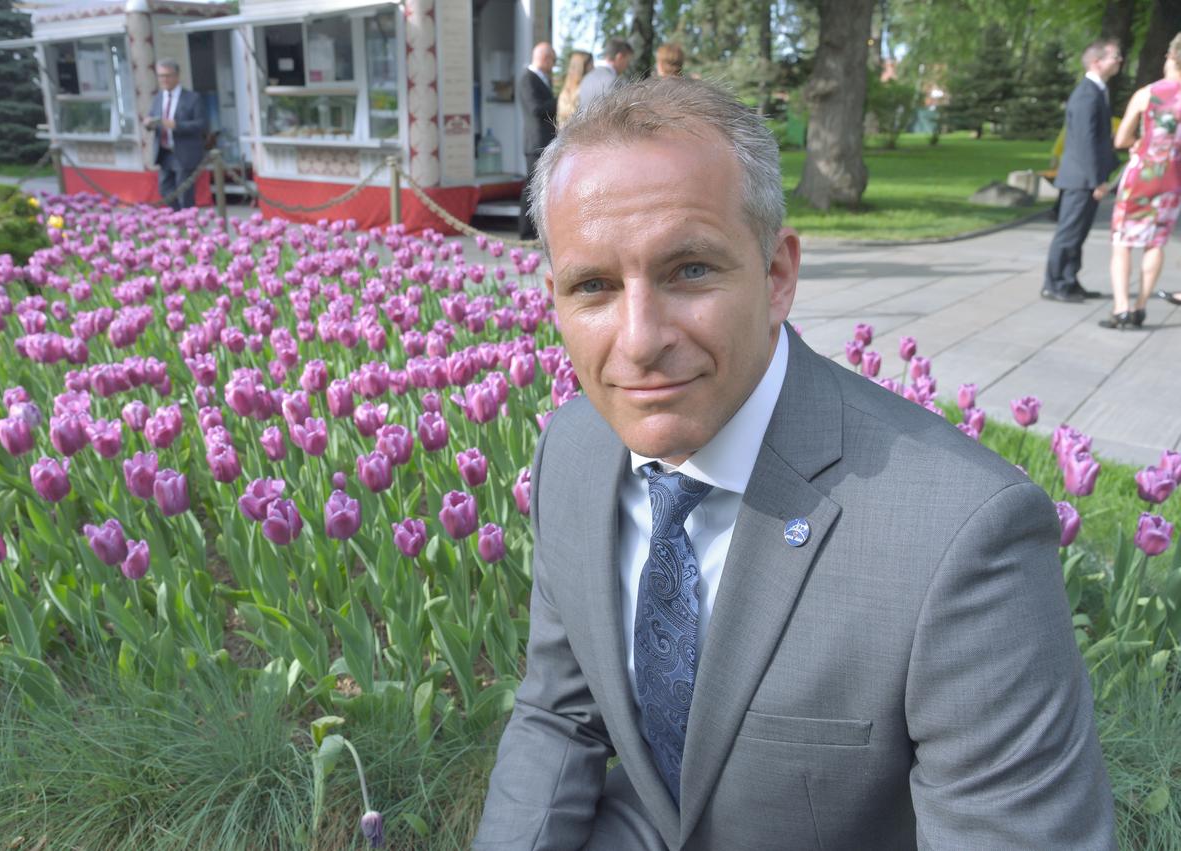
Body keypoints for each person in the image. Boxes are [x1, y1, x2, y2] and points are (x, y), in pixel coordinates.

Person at [475, 77, 1114, 850]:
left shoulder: (962, 539)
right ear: (553, 299)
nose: (638, 340)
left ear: (777, 275)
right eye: (594, 287)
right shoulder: (572, 450)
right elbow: (559, 715)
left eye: (689, 271)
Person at [1100, 32, 1181, 328]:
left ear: (1170, 57)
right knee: (1156, 243)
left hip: (1143, 176)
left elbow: (1121, 139)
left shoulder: (1147, 94)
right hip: (1173, 178)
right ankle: (1141, 306)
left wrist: (1137, 141)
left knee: (1123, 242)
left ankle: (1121, 308)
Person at [1042, 39, 1123, 303]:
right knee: (1069, 233)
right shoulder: (1087, 94)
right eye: (1115, 57)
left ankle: (1068, 281)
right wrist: (1096, 180)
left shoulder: (1096, 91)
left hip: (1083, 178)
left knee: (1078, 233)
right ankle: (1054, 285)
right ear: (1096, 62)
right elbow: (1085, 141)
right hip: (1081, 179)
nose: (1119, 61)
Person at [143, 59, 207, 211]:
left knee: (185, 193)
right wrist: (149, 123)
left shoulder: (192, 98)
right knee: (165, 189)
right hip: (165, 152)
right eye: (160, 76)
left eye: (167, 76)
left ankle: (188, 224)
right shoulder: (159, 97)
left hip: (184, 152)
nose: (163, 80)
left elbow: (202, 125)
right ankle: (178, 218)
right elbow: (152, 117)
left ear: (177, 76)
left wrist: (177, 125)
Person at [518, 43, 557, 241]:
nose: (553, 64)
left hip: (545, 141)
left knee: (540, 186)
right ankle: (525, 233)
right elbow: (535, 109)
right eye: (552, 59)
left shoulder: (542, 79)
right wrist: (560, 101)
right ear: (544, 58)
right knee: (531, 187)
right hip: (535, 142)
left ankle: (536, 230)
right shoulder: (528, 79)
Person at [578, 39, 632, 108]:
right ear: (619, 57)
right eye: (627, 61)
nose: (627, 65)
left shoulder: (586, 78)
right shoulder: (615, 82)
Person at [556, 50, 593, 128]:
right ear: (584, 66)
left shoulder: (565, 91)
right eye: (592, 64)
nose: (594, 67)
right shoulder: (584, 89)